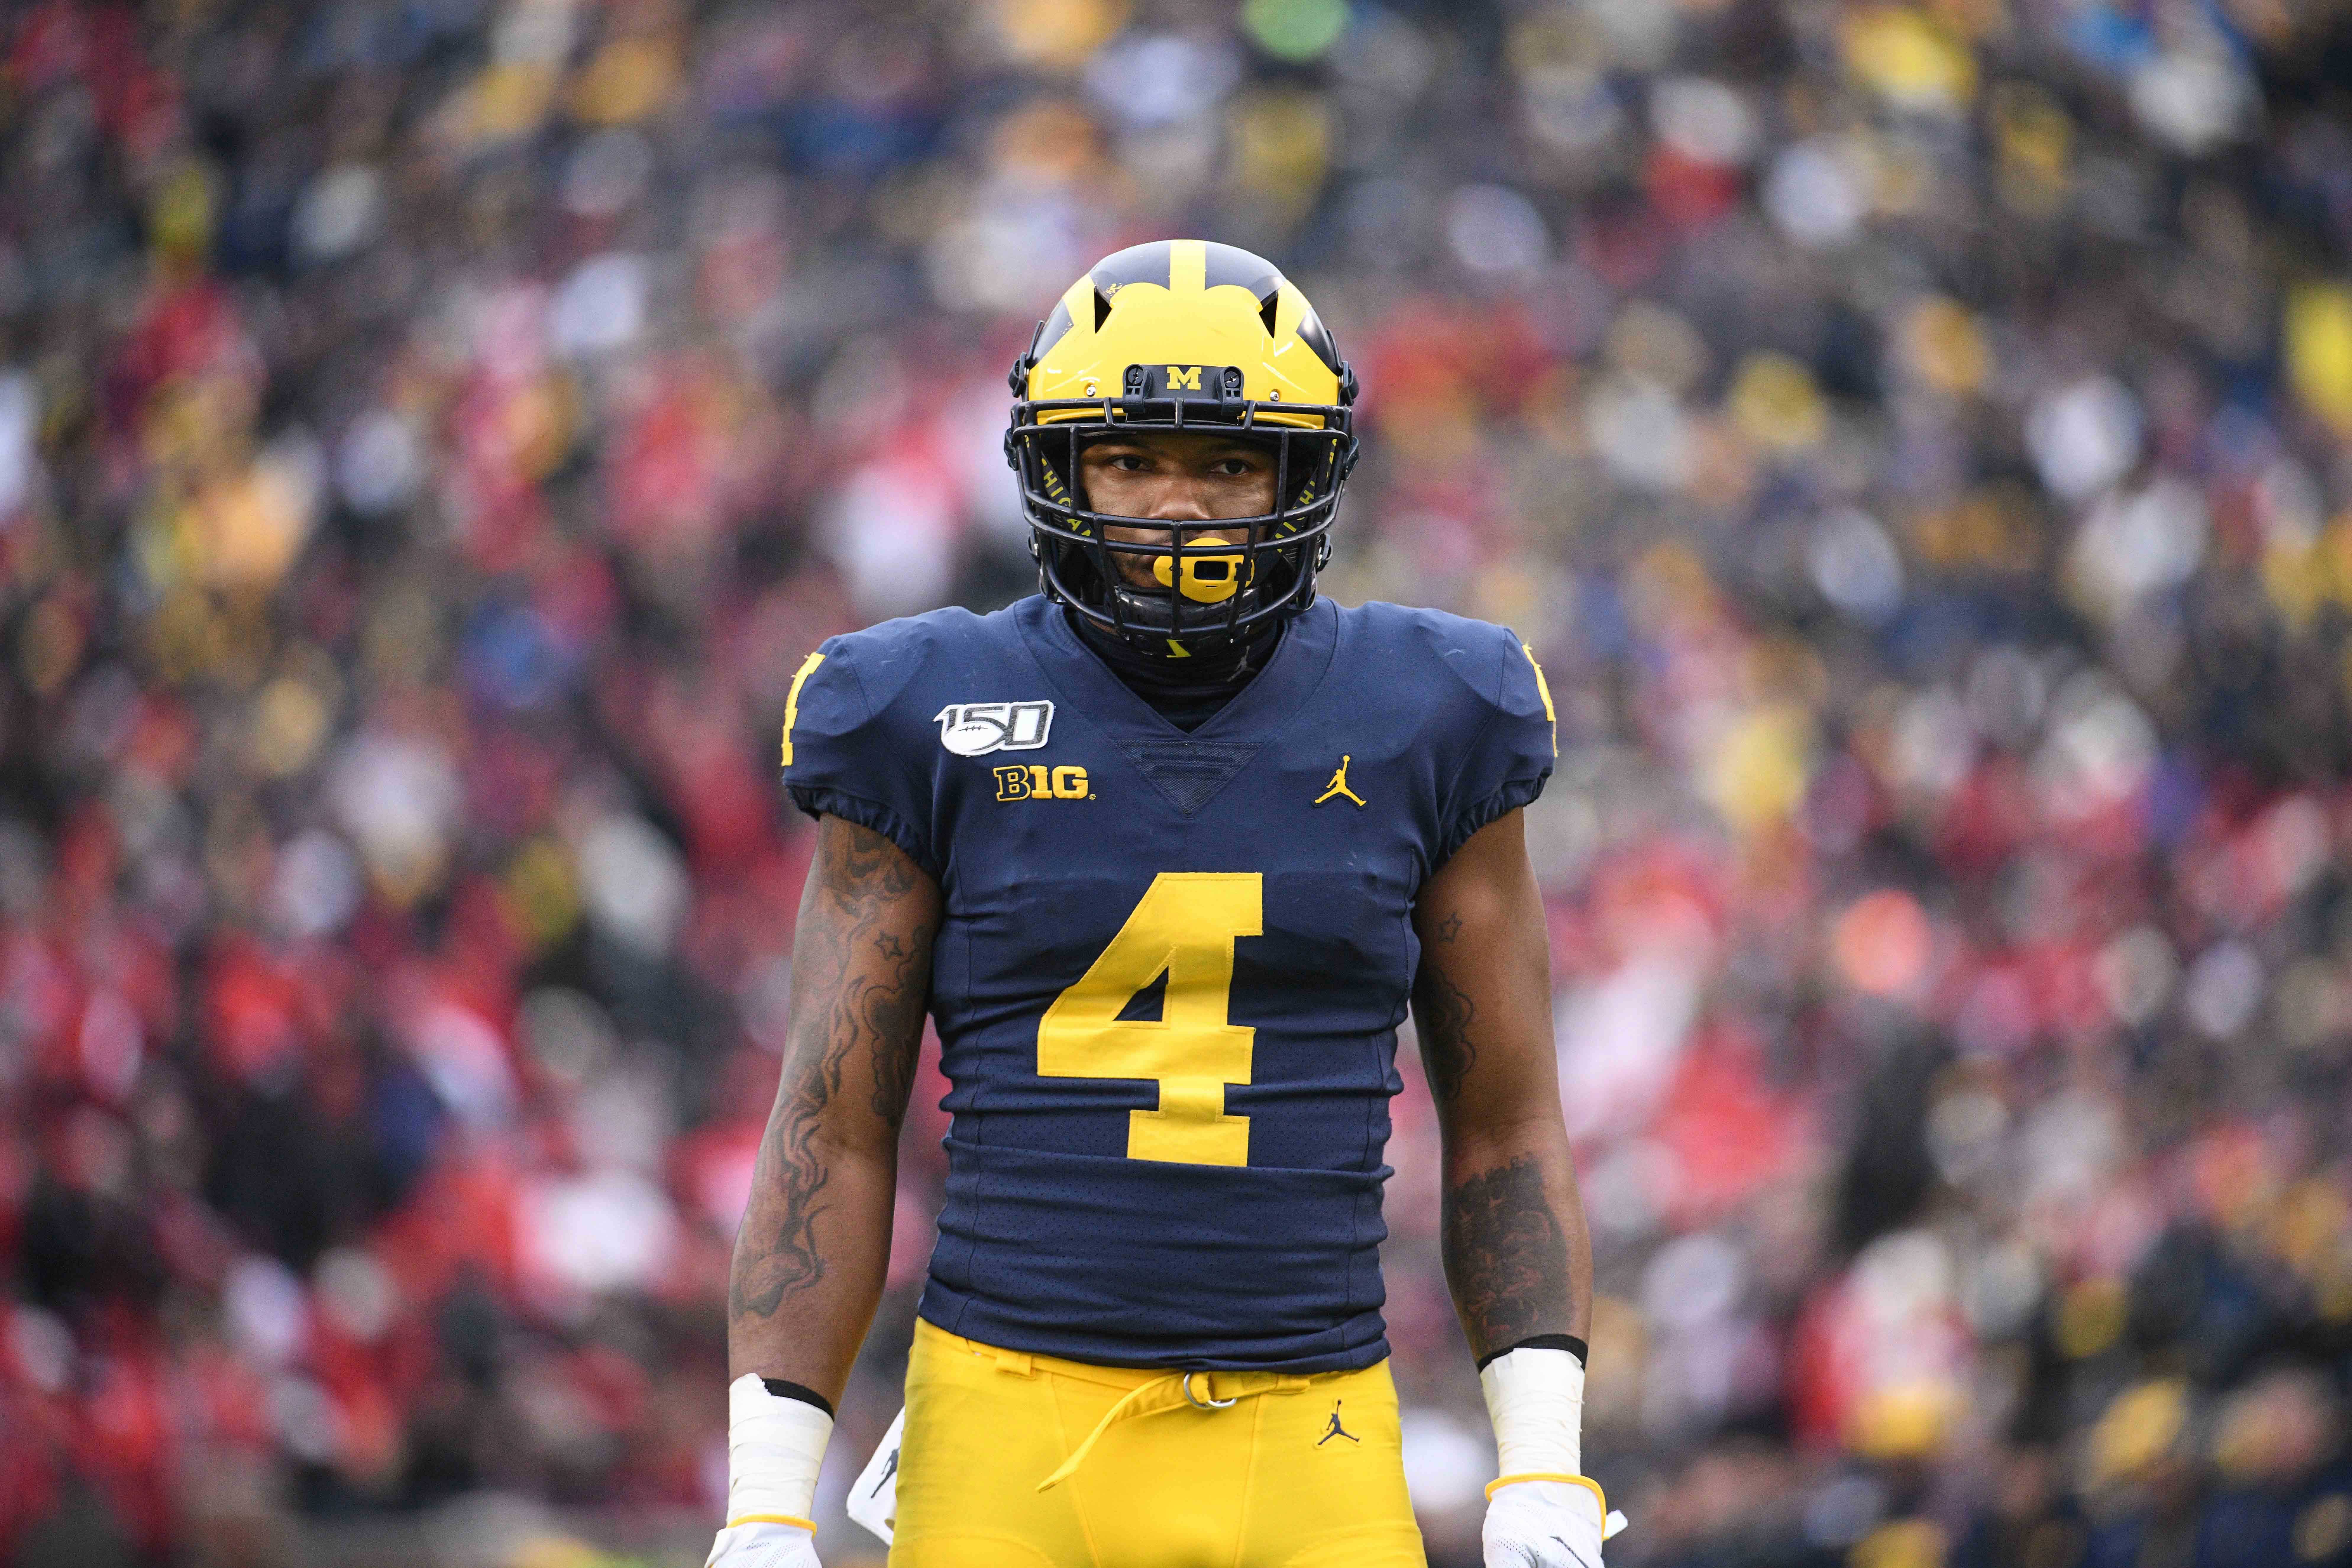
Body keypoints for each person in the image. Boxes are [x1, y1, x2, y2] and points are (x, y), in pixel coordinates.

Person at [707, 240, 1608, 1568]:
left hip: (1311, 1431)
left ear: (1301, 477)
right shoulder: (927, 709)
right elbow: (833, 1125)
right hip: (1004, 1426)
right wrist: (768, 1494)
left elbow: (1507, 1121)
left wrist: (1542, 1462)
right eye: (1129, 461)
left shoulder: (1431, 710)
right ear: (1057, 471)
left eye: (1228, 464)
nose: (1177, 507)